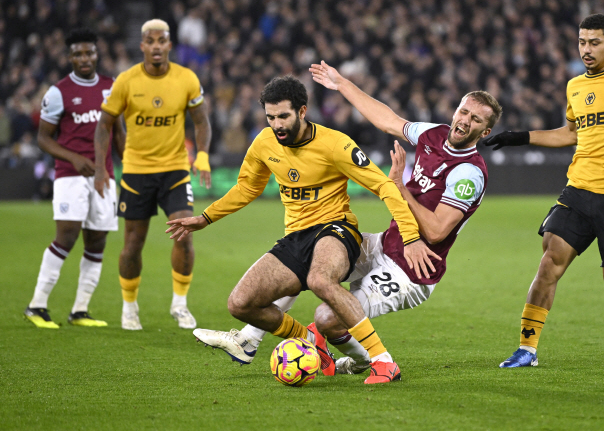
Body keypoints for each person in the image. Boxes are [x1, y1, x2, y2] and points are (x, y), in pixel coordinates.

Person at [223, 62, 503, 377]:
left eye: (475, 119)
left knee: (327, 318)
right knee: (306, 253)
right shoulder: (434, 134)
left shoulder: (469, 173)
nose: (465, 120)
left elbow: (437, 231)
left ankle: (370, 362)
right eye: (463, 111)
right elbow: (388, 121)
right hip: (385, 244)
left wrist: (400, 187)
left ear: (485, 131)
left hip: (413, 268)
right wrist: (342, 84)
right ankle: (250, 337)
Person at [166, 75, 438, 384]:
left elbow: (384, 186)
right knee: (240, 304)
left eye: (283, 116)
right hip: (296, 237)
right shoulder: (264, 142)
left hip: (336, 229)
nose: (276, 124)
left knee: (320, 279)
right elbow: (246, 188)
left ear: (302, 111)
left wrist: (410, 236)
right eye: (270, 117)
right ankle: (309, 342)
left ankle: (383, 361)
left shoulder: (335, 144)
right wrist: (206, 218)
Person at [482, 14, 604, 368]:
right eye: (581, 42)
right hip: (578, 191)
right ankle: (527, 349)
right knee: (549, 262)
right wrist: (521, 137)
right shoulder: (575, 86)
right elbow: (570, 134)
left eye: (594, 42)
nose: (586, 49)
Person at [94, 19, 212, 331]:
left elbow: (201, 121)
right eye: (151, 41)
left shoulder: (186, 78)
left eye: (162, 40)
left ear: (169, 45)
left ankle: (180, 305)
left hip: (175, 170)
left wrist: (202, 154)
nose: (156, 46)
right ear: (142, 46)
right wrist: (100, 167)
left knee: (184, 235)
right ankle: (129, 307)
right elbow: (105, 124)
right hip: (137, 172)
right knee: (133, 243)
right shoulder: (126, 81)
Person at [24, 28, 125, 329]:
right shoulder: (58, 92)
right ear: (69, 57)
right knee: (66, 237)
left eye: (89, 52)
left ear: (97, 53)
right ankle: (36, 305)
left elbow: (118, 133)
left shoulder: (111, 87)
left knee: (97, 241)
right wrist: (74, 158)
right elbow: (44, 138)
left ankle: (80, 310)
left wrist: (131, 167)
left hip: (104, 176)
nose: (84, 58)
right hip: (71, 176)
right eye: (78, 54)